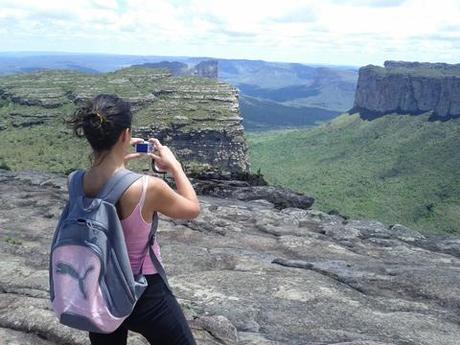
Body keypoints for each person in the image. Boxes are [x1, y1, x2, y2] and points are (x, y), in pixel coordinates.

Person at [68, 94, 200, 345]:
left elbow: (106, 187)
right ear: (126, 135)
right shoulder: (147, 188)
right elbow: (192, 209)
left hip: (98, 287)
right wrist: (175, 166)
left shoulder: (75, 181)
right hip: (145, 291)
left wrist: (119, 159)